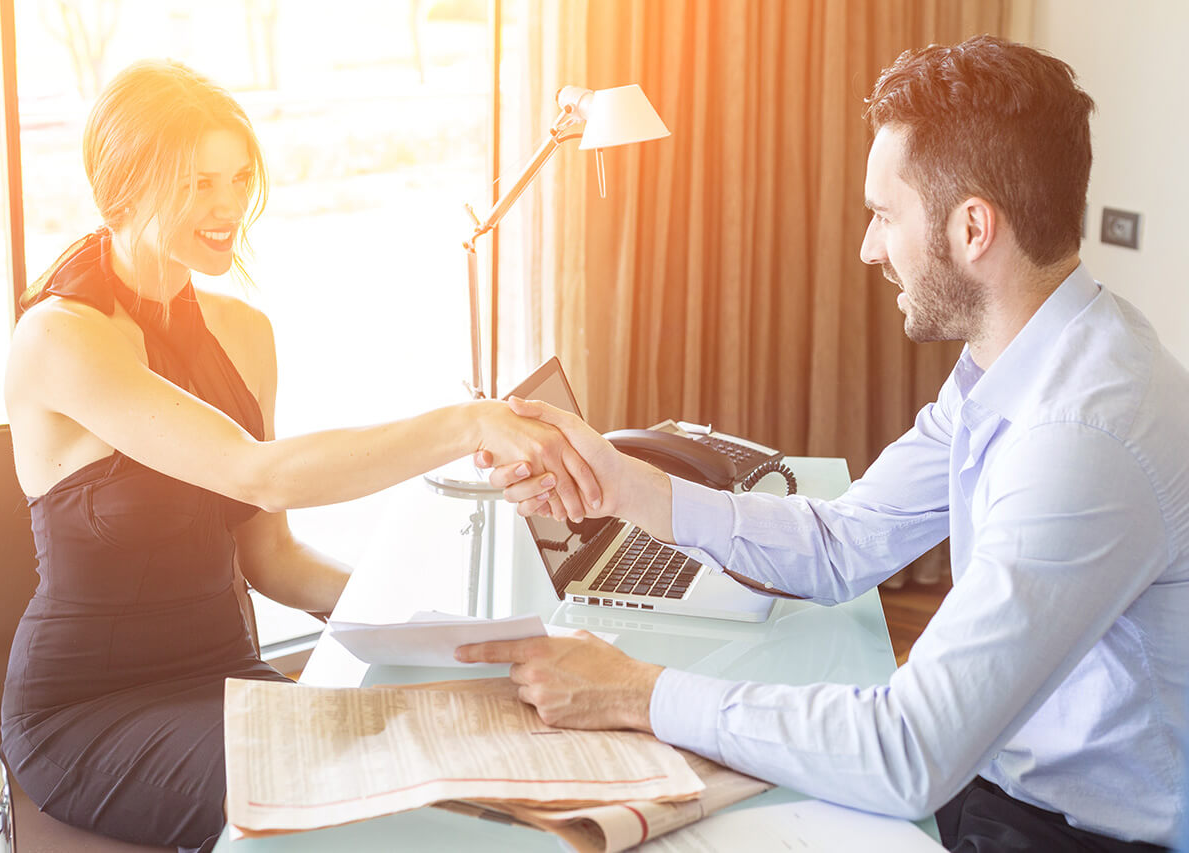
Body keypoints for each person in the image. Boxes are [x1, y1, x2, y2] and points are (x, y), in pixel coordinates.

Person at [458, 35, 1189, 851]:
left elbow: (909, 749)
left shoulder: (1082, 438)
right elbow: (845, 542)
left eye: (884, 215)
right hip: (993, 781)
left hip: (1070, 833)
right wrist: (621, 485)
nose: (870, 248)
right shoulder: (1024, 359)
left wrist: (635, 690)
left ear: (974, 226)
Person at [0, 59, 599, 853]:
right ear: (124, 186)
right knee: (348, 810)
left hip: (230, 683)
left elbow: (272, 557)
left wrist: (438, 629)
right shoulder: (60, 338)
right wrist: (467, 423)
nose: (227, 206)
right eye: (198, 183)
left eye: (238, 177)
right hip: (88, 711)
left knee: (461, 757)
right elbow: (257, 470)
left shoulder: (244, 334)